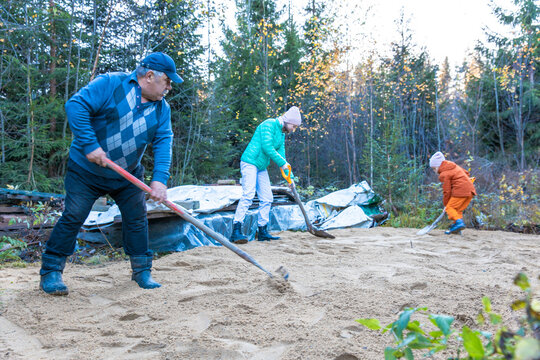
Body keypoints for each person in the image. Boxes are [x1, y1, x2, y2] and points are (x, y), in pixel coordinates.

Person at [40, 52, 183, 295]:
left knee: (137, 219)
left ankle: (141, 271)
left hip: (127, 175)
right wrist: (90, 144)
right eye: (168, 81)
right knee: (74, 215)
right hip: (85, 170)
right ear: (150, 76)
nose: (169, 87)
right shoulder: (111, 84)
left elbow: (163, 142)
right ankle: (51, 271)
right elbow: (76, 105)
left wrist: (159, 180)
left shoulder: (162, 110)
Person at [229, 106, 301, 244]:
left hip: (261, 166)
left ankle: (262, 231)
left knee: (267, 198)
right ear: (287, 121)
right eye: (293, 126)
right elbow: (267, 147)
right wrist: (282, 162)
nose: (293, 129)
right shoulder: (268, 124)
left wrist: (290, 179)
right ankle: (236, 230)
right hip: (250, 162)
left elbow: (282, 157)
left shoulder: (281, 134)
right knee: (248, 194)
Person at [429, 151, 476, 234]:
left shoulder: (444, 173)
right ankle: (457, 229)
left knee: (450, 208)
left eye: (434, 168)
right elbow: (466, 173)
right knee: (457, 210)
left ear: (439, 166)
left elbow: (447, 191)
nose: (434, 171)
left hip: (461, 191)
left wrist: (446, 204)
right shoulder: (453, 166)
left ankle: (459, 223)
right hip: (470, 190)